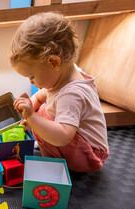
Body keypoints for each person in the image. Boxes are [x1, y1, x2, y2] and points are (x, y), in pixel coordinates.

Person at [10, 12, 109, 172]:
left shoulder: (71, 94)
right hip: (83, 146)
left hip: (89, 156)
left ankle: (54, 159)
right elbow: (41, 96)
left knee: (41, 116)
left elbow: (63, 136)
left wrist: (32, 117)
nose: (31, 82)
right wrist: (27, 112)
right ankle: (48, 145)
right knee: (41, 110)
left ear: (54, 62)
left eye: (32, 76)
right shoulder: (64, 74)